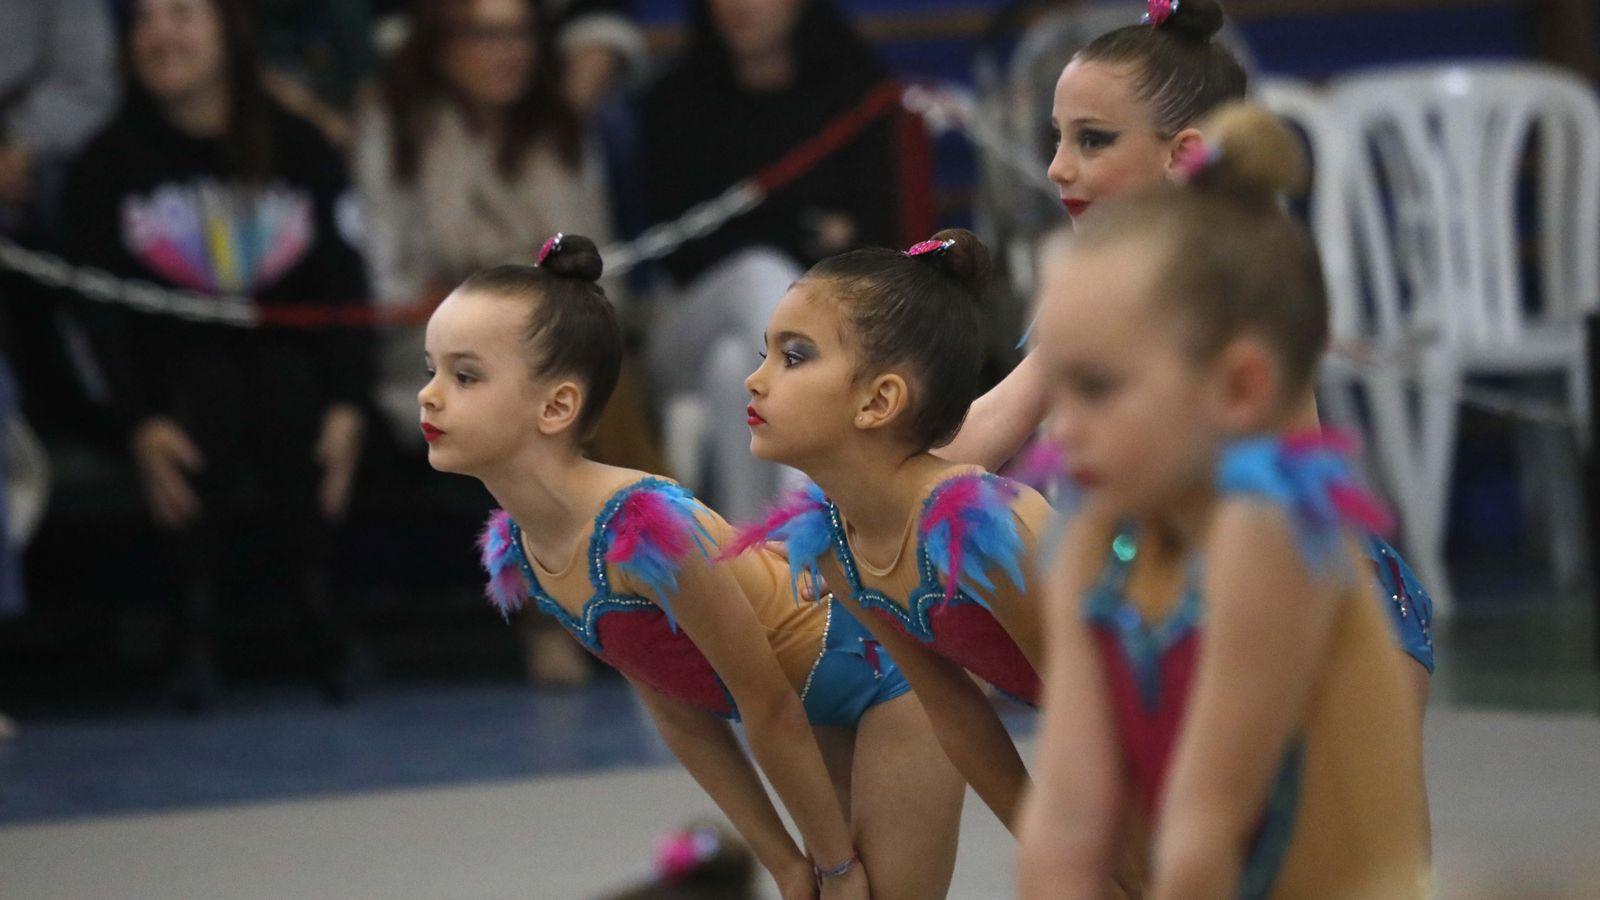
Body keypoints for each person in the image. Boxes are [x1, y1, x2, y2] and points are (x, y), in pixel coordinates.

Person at [425, 234, 964, 898]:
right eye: (431, 370)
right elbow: (682, 714)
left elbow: (765, 706)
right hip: (814, 705)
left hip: (891, 681)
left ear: (557, 406)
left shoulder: (645, 528)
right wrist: (787, 862)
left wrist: (833, 866)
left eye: (464, 375)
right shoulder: (531, 549)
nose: (430, 396)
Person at [939, 0, 1435, 689]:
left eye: (1093, 141)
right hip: (1151, 595)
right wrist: (868, 480)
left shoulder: (1244, 280)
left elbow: (1286, 504)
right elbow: (990, 427)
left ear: (1185, 155)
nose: (1056, 168)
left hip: (1302, 603)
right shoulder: (1084, 289)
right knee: (953, 512)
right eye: (1056, 139)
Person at [1017, 103, 1431, 899]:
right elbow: (1065, 826)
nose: (1060, 430)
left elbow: (1204, 832)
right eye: (1054, 388)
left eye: (1097, 388)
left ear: (1240, 387)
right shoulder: (1092, 546)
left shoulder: (1267, 532)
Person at [64, 0, 374, 709]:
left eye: (181, 15)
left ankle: (315, 604)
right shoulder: (104, 164)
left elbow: (345, 288)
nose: (159, 35)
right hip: (164, 389)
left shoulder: (299, 146)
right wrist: (135, 421)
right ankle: (193, 621)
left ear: (230, 33)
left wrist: (350, 405)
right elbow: (97, 321)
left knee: (281, 379)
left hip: (288, 381)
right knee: (209, 383)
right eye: (143, 20)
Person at [357, 0, 656, 685]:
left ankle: (637, 600)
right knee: (534, 393)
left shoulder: (559, 125)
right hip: (434, 342)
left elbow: (602, 256)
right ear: (440, 42)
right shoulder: (394, 124)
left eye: (519, 33)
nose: (507, 51)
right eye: (484, 35)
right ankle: (589, 609)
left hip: (556, 333)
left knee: (578, 380)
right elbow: (386, 276)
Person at [729, 229, 1060, 841]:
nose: (756, 380)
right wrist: (1043, 847)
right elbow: (957, 717)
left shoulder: (986, 527)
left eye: (794, 357)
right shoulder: (835, 542)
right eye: (763, 354)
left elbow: (1093, 710)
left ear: (879, 401)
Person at [639, 0, 909, 522]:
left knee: (733, 367)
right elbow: (681, 252)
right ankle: (818, 507)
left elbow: (880, 240)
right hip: (690, 318)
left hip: (818, 325)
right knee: (761, 273)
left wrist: (772, 228)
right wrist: (811, 231)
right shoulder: (674, 100)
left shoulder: (856, 90)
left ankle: (763, 568)